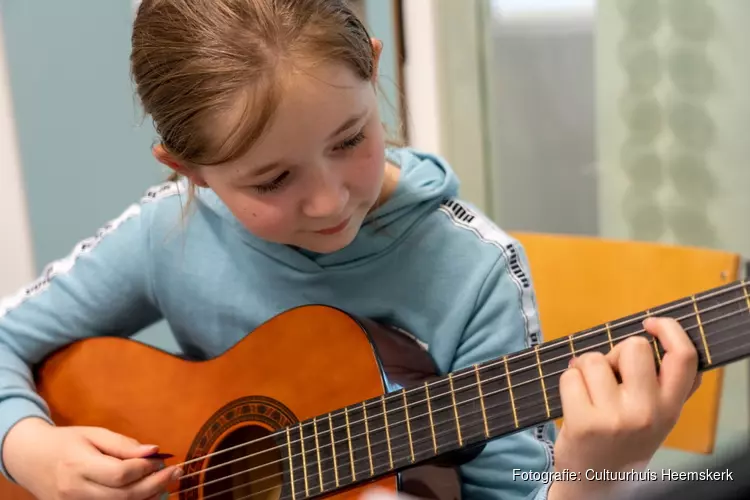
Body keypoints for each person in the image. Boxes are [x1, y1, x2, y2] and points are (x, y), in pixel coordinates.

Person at [0, 1, 702, 499]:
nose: (330, 200)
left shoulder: (474, 272)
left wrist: (590, 478)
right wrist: (29, 448)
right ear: (187, 170)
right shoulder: (168, 234)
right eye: (272, 179)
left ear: (371, 68)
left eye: (349, 141)